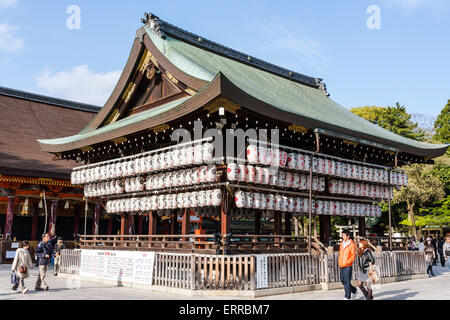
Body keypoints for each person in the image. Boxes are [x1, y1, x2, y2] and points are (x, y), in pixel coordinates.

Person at [339, 229, 357, 300]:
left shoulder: (351, 245)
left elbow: (352, 256)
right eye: (342, 235)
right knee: (343, 280)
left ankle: (347, 296)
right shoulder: (341, 244)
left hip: (348, 265)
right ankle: (354, 290)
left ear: (348, 236)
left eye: (343, 235)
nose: (342, 236)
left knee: (346, 281)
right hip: (341, 265)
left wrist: (347, 262)